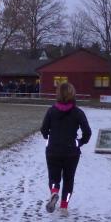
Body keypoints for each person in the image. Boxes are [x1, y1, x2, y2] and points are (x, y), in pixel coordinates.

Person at [40, 82, 91, 212]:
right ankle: (64, 206)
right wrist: (80, 142)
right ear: (73, 94)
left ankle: (54, 191)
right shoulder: (78, 112)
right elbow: (87, 132)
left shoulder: (51, 111)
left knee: (54, 176)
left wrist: (48, 137)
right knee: (69, 179)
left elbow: (43, 129)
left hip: (53, 150)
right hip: (71, 152)